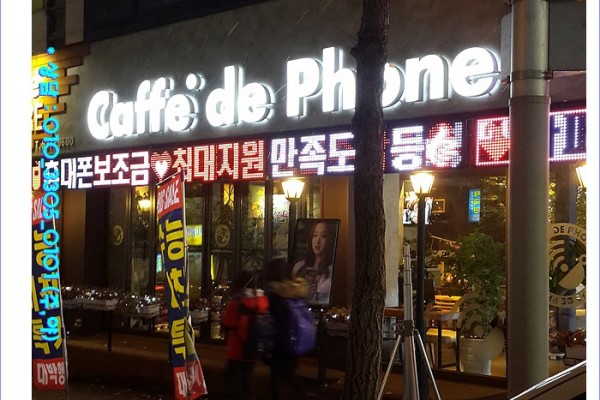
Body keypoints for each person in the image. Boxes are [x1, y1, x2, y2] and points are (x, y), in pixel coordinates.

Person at [264, 258, 309, 400]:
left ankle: (306, 395)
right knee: (283, 376)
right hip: (294, 341)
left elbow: (273, 320)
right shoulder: (295, 291)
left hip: (281, 344)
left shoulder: (277, 294)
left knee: (282, 376)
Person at [220, 269, 269, 400]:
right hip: (254, 347)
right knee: (247, 379)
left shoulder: (237, 301)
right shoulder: (261, 301)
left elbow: (228, 321)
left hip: (237, 349)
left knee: (231, 379)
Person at [291, 221, 334, 305]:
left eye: (323, 236)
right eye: (315, 235)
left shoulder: (331, 270)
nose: (318, 240)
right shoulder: (299, 266)